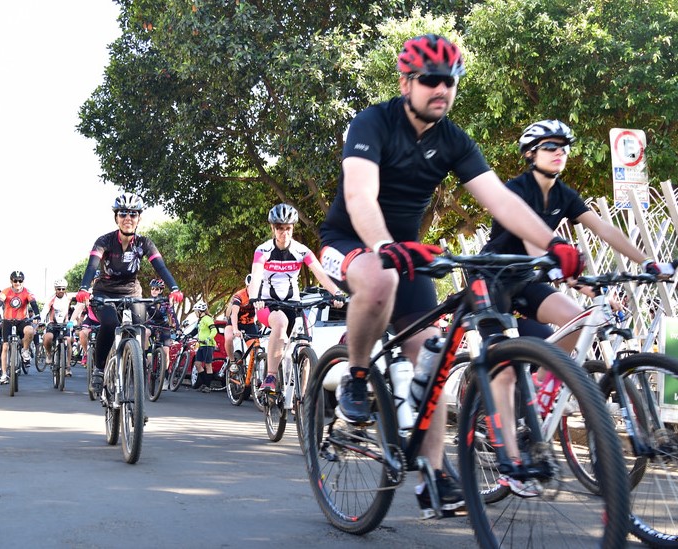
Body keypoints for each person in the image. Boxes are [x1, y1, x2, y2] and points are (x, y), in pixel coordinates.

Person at [317, 34, 586, 518]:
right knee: (381, 280)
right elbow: (359, 195)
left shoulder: (454, 140)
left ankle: (434, 476)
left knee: (433, 356)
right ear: (406, 82)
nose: (443, 89)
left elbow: (502, 200)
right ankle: (357, 376)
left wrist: (553, 243)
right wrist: (383, 246)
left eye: (452, 81)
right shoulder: (373, 122)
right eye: (433, 81)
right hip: (351, 239)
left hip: (410, 252)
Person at [482, 119, 676, 496]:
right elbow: (534, 239)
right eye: (550, 147)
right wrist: (571, 275)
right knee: (503, 371)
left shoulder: (564, 194)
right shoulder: (516, 190)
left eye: (564, 147)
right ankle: (509, 463)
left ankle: (538, 393)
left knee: (576, 319)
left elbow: (605, 229)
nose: (559, 153)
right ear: (530, 154)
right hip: (494, 282)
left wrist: (646, 263)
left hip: (530, 282)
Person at [75, 193, 184, 397]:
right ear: (116, 217)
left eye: (133, 214)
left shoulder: (144, 243)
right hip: (104, 293)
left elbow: (160, 266)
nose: (128, 218)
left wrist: (174, 288)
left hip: (132, 291)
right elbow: (92, 266)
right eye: (123, 213)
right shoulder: (104, 241)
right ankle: (99, 370)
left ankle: (134, 361)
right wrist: (83, 288)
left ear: (139, 218)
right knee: (109, 324)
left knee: (139, 327)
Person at [249, 203, 345, 394]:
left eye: (288, 228)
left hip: (293, 303)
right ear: (272, 228)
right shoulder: (263, 250)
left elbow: (320, 273)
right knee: (281, 322)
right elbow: (257, 275)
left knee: (304, 345)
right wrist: (254, 297)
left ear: (293, 228)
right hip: (266, 304)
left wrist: (337, 292)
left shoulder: (302, 251)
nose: (284, 233)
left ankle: (302, 397)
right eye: (279, 228)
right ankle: (270, 376)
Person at [0, 270, 40, 385]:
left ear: (23, 281)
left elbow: (33, 303)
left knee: (30, 330)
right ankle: (3, 374)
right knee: (5, 346)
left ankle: (25, 351)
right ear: (11, 281)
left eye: (20, 280)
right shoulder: (5, 291)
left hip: (22, 321)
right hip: (7, 321)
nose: (17, 283)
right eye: (15, 281)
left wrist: (37, 315)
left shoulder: (27, 291)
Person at [145, 278, 180, 381]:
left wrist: (177, 328)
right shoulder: (148, 301)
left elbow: (172, 315)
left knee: (165, 352)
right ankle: (145, 355)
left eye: (156, 289)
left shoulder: (166, 302)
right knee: (145, 333)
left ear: (160, 290)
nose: (154, 291)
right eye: (152, 289)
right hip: (151, 325)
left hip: (164, 326)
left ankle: (165, 377)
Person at [223, 274, 259, 373]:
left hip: (249, 324)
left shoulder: (260, 296)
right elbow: (234, 313)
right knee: (229, 338)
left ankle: (253, 375)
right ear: (247, 286)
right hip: (235, 322)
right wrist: (235, 329)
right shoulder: (239, 295)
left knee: (256, 349)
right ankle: (232, 361)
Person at [41, 278, 74, 377]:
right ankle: (49, 354)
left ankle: (68, 367)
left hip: (65, 323)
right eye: (59, 289)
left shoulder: (69, 298)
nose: (61, 291)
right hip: (52, 324)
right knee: (48, 338)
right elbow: (45, 310)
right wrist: (42, 321)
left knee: (68, 341)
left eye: (63, 289)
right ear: (55, 289)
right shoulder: (51, 299)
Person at [190, 301, 217, 392]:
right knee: (197, 364)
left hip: (208, 345)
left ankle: (207, 386)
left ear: (200, 311)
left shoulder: (207, 319)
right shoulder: (200, 320)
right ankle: (204, 383)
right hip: (201, 345)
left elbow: (214, 331)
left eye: (196, 311)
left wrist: (208, 338)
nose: (195, 313)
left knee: (208, 365)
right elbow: (196, 331)